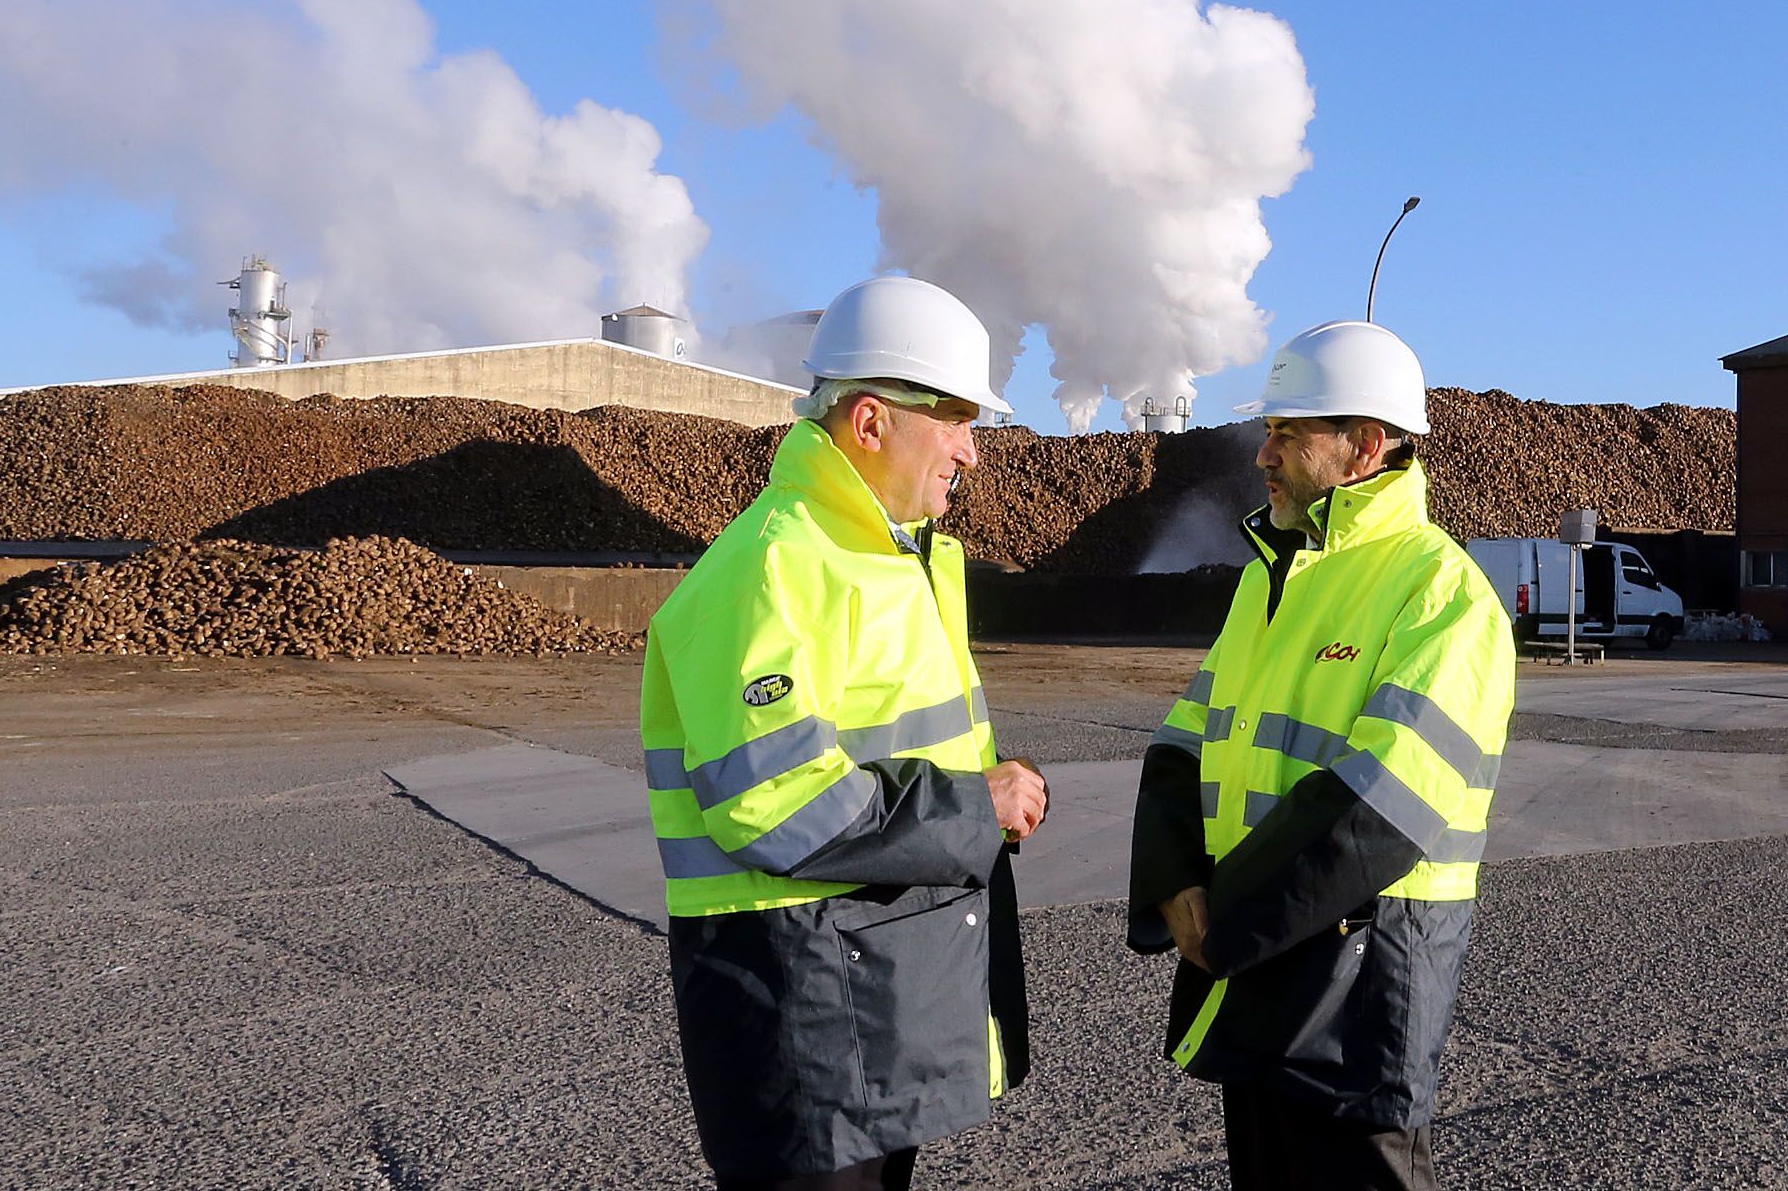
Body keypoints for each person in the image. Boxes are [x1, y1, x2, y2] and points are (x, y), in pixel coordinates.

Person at [642, 274, 1051, 1191]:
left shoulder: (885, 559)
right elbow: (772, 800)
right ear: (870, 423)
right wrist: (972, 806)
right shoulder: (776, 566)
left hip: (857, 1002)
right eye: (953, 418)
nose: (971, 453)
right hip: (801, 1010)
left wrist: (988, 783)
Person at [1128, 320, 1517, 1191]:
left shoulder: (1439, 591)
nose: (1262, 454)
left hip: (1361, 967)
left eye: (1288, 435)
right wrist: (1172, 881)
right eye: (1267, 432)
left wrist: (1220, 918)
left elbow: (1386, 802)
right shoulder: (1277, 577)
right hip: (1263, 943)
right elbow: (1181, 743)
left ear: (1365, 447)